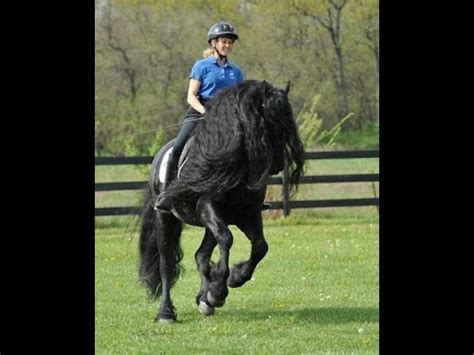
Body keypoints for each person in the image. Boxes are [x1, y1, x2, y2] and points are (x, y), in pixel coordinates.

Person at [154, 21, 270, 212]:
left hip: (227, 119)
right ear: (214, 43)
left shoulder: (236, 71)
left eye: (230, 43)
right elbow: (191, 96)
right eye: (224, 42)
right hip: (200, 112)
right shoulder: (202, 66)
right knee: (178, 147)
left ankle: (252, 195)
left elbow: (239, 99)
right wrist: (206, 112)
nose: (228, 46)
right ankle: (168, 193)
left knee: (250, 148)